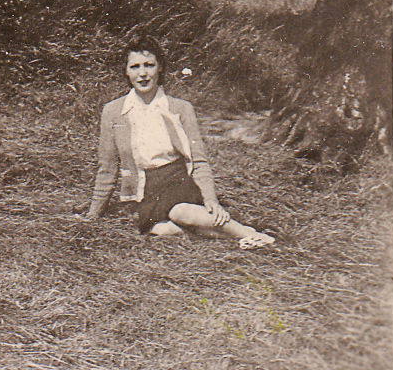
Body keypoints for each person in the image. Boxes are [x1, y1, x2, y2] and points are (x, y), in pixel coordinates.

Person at [85, 36, 274, 249]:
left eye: (149, 65)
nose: (143, 73)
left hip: (176, 180)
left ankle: (251, 235)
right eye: (135, 67)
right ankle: (230, 232)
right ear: (126, 72)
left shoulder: (181, 108)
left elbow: (198, 160)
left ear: (160, 68)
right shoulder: (113, 111)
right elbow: (107, 169)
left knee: (180, 211)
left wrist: (211, 200)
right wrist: (93, 215)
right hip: (141, 189)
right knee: (162, 230)